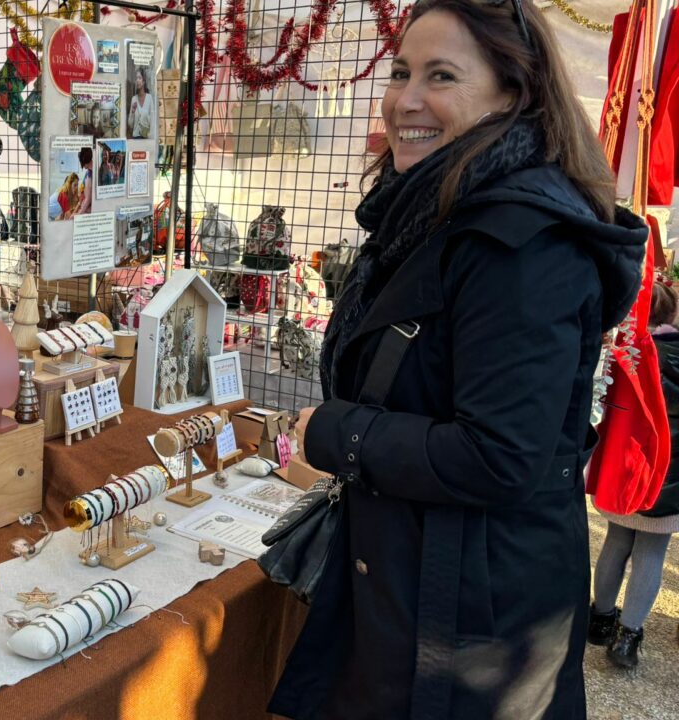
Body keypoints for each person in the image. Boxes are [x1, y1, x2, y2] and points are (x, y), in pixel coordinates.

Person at [276, 0, 648, 718]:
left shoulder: (522, 242)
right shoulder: (433, 209)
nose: (406, 100)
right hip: (423, 585)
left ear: (514, 93)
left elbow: (500, 453)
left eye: (441, 76)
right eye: (401, 71)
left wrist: (335, 431)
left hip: (470, 626)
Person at [588, 281, 679, 669]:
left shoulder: (623, 353)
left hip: (625, 465)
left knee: (615, 542)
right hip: (669, 471)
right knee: (651, 553)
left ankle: (599, 620)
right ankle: (628, 637)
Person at [127, 66, 153, 139]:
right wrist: (132, 112)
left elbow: (153, 121)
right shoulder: (134, 99)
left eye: (139, 78)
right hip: (136, 138)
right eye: (136, 78)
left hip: (147, 138)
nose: (137, 80)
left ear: (144, 81)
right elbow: (130, 124)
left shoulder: (149, 98)